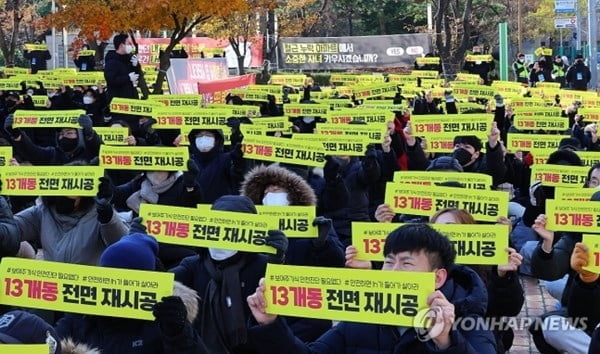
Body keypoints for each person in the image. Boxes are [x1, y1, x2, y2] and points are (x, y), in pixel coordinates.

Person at [246, 223, 497, 353]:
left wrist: (446, 341)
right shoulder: (362, 317)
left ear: (438, 277)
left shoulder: (467, 321)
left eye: (406, 263)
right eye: (389, 262)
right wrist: (271, 325)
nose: (394, 271)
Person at [170, 195, 288, 353]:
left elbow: (280, 300)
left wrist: (277, 261)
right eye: (217, 224)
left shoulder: (261, 264)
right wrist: (142, 240)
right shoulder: (193, 265)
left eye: (230, 227)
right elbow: (162, 283)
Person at [55, 232, 209, 354]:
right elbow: (50, 342)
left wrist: (179, 333)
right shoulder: (80, 316)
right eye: (108, 276)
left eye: (125, 279)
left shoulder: (165, 317)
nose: (115, 285)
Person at [0, 165, 128, 266]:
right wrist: (2, 204)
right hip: (54, 289)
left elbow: (124, 244)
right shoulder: (43, 212)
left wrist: (108, 217)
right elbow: (10, 231)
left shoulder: (98, 214)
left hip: (87, 288)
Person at [4, 114, 102, 165]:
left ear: (80, 136)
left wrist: (90, 135)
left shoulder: (90, 154)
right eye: (61, 134)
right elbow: (32, 152)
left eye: (69, 133)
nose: (63, 136)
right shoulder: (53, 154)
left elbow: (100, 152)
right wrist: (17, 135)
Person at [104, 33, 139, 102]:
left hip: (131, 97)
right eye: (128, 44)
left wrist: (136, 66)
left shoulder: (128, 58)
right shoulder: (112, 61)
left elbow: (136, 75)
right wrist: (128, 78)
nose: (131, 46)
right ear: (121, 45)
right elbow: (111, 79)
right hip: (118, 100)